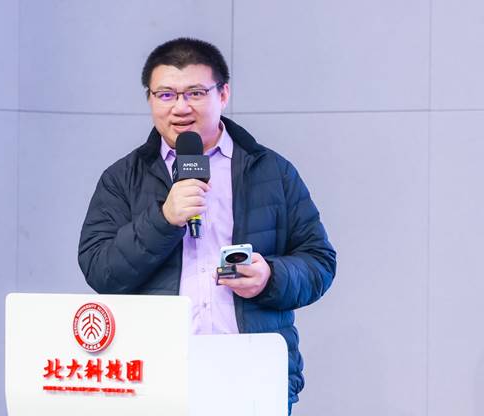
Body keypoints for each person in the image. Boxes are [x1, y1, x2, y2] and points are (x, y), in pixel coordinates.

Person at [78, 37, 336, 413]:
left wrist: (270, 277)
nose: (180, 107)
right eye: (165, 95)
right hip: (154, 379)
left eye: (195, 93)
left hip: (252, 375)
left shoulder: (271, 171)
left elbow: (319, 261)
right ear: (149, 99)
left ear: (223, 93)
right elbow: (100, 270)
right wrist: (163, 220)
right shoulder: (123, 178)